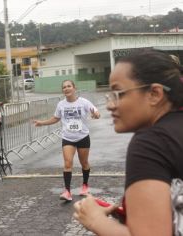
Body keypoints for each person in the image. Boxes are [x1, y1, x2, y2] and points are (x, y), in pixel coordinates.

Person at [73, 49, 183, 235]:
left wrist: (94, 220)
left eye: (119, 93)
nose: (110, 105)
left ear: (154, 93)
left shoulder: (151, 143)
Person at [33, 80, 100, 201]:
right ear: (62, 90)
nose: (66, 89)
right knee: (67, 163)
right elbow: (55, 118)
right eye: (64, 87)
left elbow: (95, 111)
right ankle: (67, 191)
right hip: (68, 138)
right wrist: (41, 123)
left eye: (69, 86)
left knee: (84, 163)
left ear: (74, 88)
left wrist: (95, 114)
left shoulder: (83, 102)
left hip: (83, 137)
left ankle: (85, 185)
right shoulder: (61, 104)